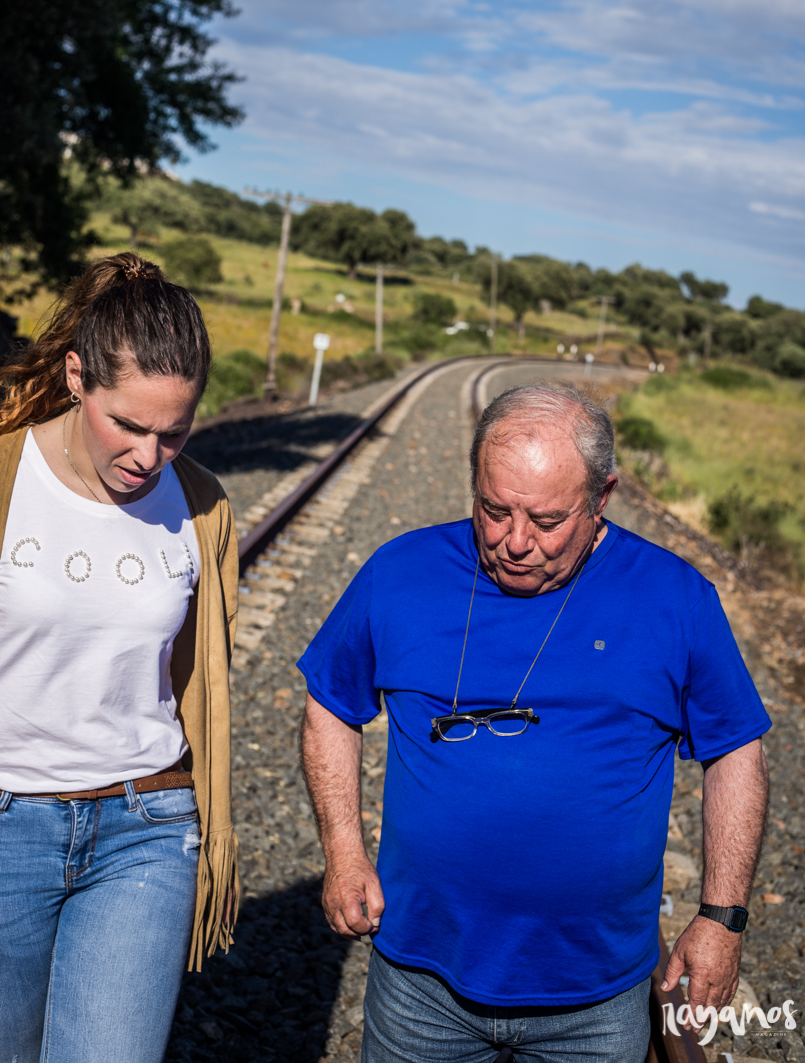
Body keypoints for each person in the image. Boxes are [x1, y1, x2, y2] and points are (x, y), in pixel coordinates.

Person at [299, 383, 771, 1063]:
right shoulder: (399, 573)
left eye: (546, 521)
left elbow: (736, 753)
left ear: (601, 496)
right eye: (493, 511)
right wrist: (342, 852)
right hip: (419, 985)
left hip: (594, 1001)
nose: (515, 542)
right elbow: (330, 704)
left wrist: (721, 919)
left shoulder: (674, 599)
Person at [0, 253, 239, 1063]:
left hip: (146, 828)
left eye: (174, 432)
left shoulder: (204, 506)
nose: (148, 457)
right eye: (128, 424)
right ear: (78, 375)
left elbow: (200, 680)